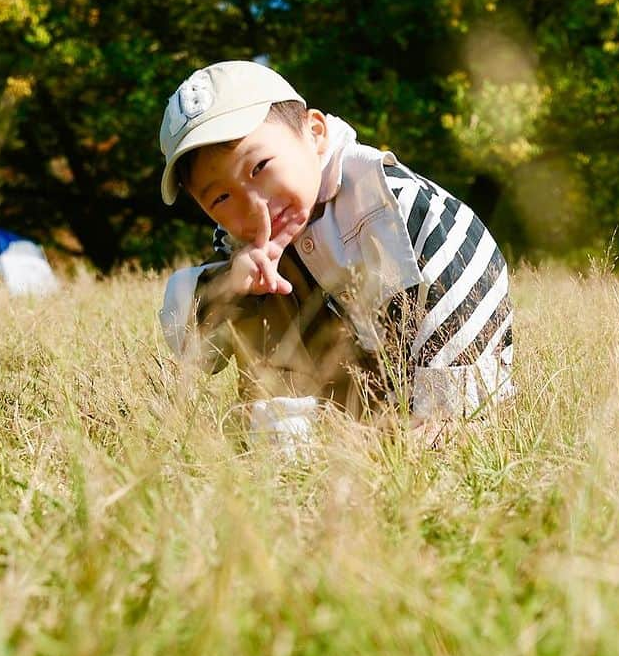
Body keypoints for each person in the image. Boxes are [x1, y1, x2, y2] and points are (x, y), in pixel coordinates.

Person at [157, 60, 513, 433]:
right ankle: (286, 445)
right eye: (221, 198)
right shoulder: (242, 239)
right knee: (252, 291)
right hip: (344, 417)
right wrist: (235, 285)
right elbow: (197, 356)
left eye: (259, 167)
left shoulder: (407, 215)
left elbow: (460, 415)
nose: (253, 207)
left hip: (439, 403)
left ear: (315, 133)